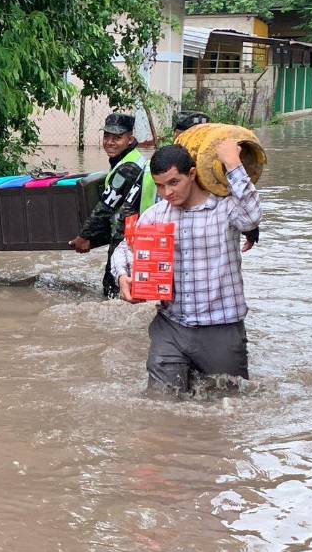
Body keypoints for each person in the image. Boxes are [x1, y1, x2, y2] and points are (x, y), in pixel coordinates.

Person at [112, 142, 263, 396]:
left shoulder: (224, 210)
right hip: (171, 326)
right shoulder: (156, 215)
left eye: (174, 182)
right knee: (161, 404)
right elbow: (125, 250)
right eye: (160, 186)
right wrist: (123, 276)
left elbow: (253, 216)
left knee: (227, 408)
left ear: (192, 174)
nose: (166, 193)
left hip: (221, 328)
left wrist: (233, 164)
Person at [68, 112, 157, 298]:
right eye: (107, 136)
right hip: (136, 233)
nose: (110, 142)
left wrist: (84, 236)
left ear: (130, 139)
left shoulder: (127, 167)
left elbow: (107, 206)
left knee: (112, 288)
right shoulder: (131, 160)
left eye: (117, 138)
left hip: (125, 237)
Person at [170, 110, 259, 252]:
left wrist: (251, 229)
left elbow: (244, 207)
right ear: (177, 136)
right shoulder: (165, 171)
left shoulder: (220, 174)